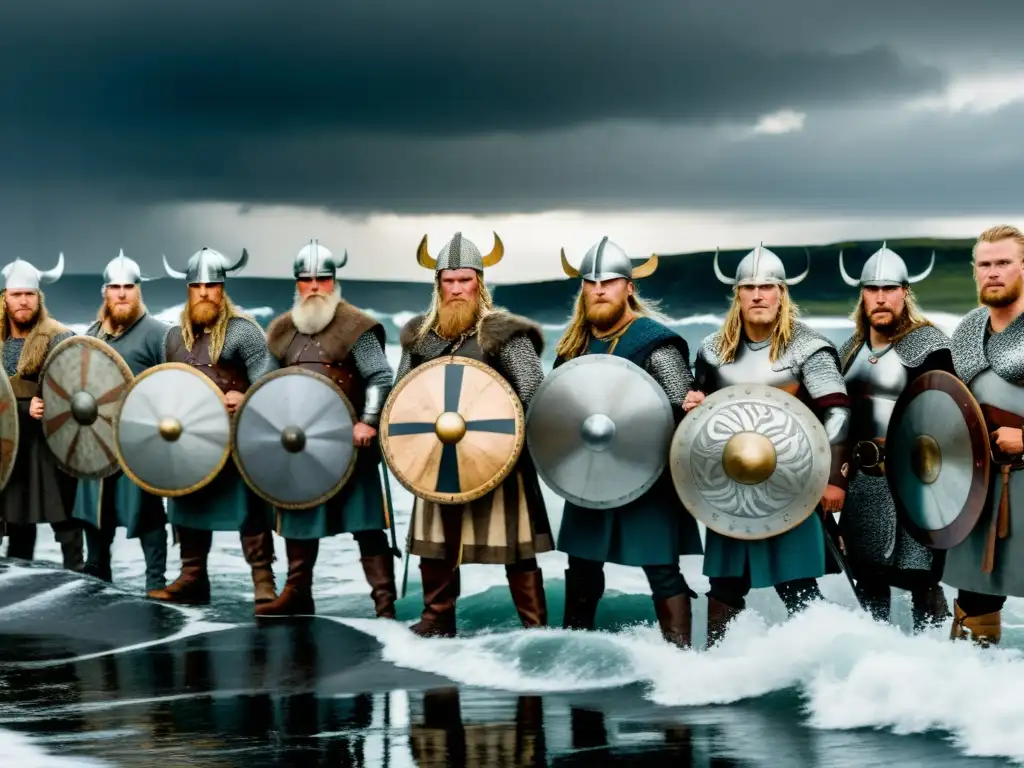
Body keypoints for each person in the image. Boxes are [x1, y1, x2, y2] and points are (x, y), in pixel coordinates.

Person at [683, 245, 851, 646]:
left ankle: (820, 666)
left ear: (782, 293)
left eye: (767, 287)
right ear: (737, 294)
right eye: (749, 288)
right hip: (732, 488)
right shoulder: (713, 350)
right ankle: (716, 669)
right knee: (724, 585)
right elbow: (700, 417)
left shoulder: (809, 348)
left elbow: (839, 414)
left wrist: (832, 481)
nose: (758, 295)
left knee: (796, 585)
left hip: (792, 486)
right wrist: (691, 404)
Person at [395, 231, 553, 637]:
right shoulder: (421, 338)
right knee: (435, 545)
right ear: (438, 285)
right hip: (439, 457)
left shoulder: (504, 334)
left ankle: (534, 631)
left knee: (515, 548)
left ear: (479, 283)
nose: (456, 289)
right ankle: (436, 619)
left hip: (498, 458)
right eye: (448, 281)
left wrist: (510, 445)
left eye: (464, 280)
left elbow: (535, 394)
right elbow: (403, 401)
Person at [551, 237, 703, 648]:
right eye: (591, 282)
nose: (600, 289)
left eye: (611, 281)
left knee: (661, 567)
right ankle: (574, 650)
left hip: (646, 473)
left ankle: (679, 659)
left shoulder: (655, 341)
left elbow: (681, 409)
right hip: (590, 472)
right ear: (582, 289)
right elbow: (558, 413)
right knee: (581, 566)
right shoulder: (572, 348)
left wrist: (689, 403)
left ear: (629, 288)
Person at [261, 240, 397, 618]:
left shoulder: (356, 324)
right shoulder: (282, 330)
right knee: (299, 515)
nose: (315, 286)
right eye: (307, 279)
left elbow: (380, 377)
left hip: (350, 445)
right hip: (300, 447)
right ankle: (297, 592)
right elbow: (267, 387)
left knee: (367, 524)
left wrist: (367, 422)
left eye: (323, 278)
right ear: (297, 283)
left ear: (334, 281)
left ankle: (384, 604)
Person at [149, 247, 278, 610]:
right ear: (189, 289)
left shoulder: (244, 333)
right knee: (188, 501)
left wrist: (246, 394)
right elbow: (166, 385)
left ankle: (263, 581)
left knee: (248, 509)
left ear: (223, 288)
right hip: (190, 441)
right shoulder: (174, 338)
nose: (205, 292)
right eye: (198, 286)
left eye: (212, 285)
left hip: (236, 440)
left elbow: (269, 384)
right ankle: (193, 577)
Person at [836, 243, 952, 630]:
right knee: (868, 580)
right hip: (863, 484)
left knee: (922, 580)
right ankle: (877, 662)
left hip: (917, 480)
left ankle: (934, 662)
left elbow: (951, 418)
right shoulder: (849, 350)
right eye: (872, 289)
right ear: (862, 295)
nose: (881, 297)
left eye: (889, 289)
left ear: (905, 292)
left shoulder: (930, 347)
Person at [943, 225, 1024, 646]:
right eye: (985, 264)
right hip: (986, 486)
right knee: (974, 599)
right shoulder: (968, 329)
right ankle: (972, 688)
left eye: (1004, 263)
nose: (993, 273)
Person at [73, 250, 169, 594]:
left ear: (138, 291)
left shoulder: (158, 333)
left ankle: (156, 580)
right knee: (95, 510)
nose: (122, 293)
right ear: (105, 292)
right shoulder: (92, 334)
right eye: (115, 287)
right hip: (97, 439)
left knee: (146, 510)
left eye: (129, 286)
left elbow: (174, 384)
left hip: (140, 440)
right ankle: (98, 574)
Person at [0, 254, 82, 570]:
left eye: (29, 294)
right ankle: (17, 581)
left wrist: (49, 401)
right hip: (8, 445)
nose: (23, 301)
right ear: (4, 299)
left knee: (65, 518)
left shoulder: (59, 337)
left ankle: (79, 583)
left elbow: (79, 389)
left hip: (49, 444)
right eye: (16, 294)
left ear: (39, 297)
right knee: (16, 517)